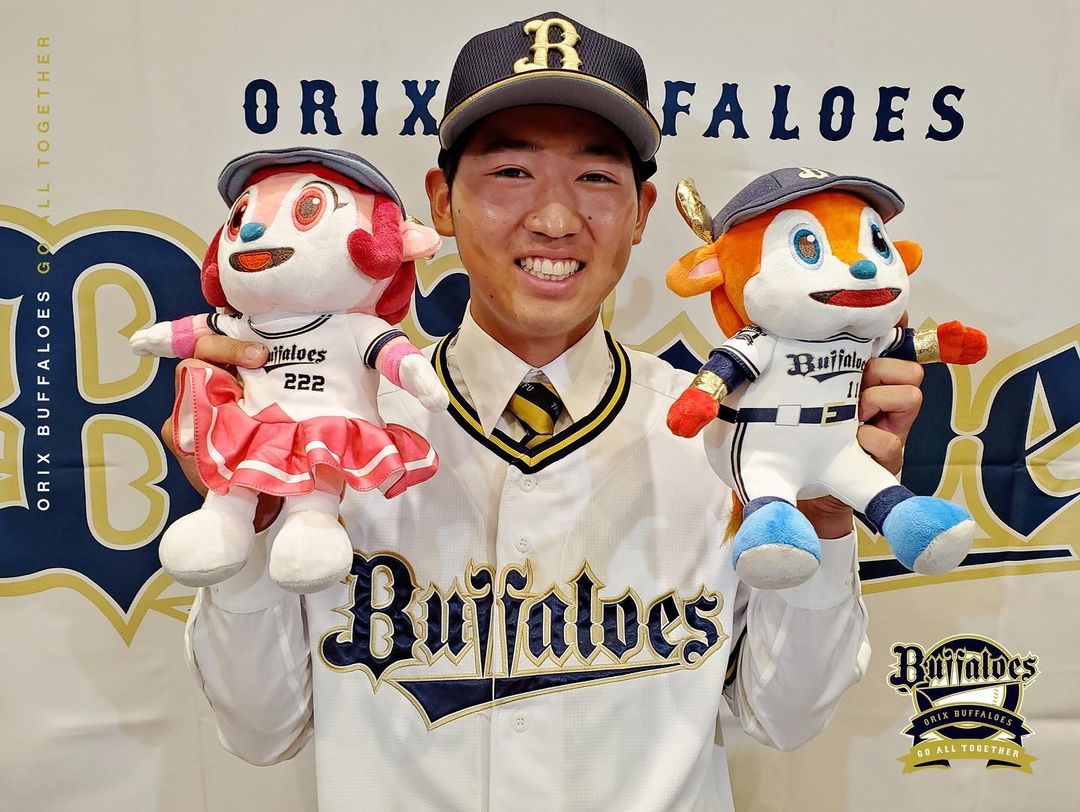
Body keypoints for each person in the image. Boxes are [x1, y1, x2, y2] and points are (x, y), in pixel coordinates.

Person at [178, 12, 924, 811]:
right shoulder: (339, 432)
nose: (556, 219)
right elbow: (261, 730)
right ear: (441, 202)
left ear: (641, 211)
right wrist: (253, 513)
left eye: (595, 177)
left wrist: (825, 520)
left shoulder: (722, 432)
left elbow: (785, 717)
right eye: (511, 171)